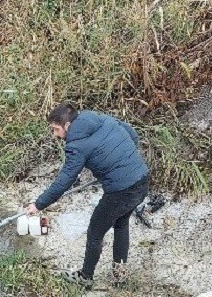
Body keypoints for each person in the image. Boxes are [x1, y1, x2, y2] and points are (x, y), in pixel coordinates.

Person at [26, 102, 149, 290]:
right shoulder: (100, 119)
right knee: (121, 223)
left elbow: (65, 180)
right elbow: (132, 134)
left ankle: (86, 277)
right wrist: (121, 161)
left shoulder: (76, 145)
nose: (55, 135)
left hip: (121, 192)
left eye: (56, 129)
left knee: (94, 233)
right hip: (142, 179)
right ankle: (120, 273)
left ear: (67, 126)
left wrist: (39, 205)